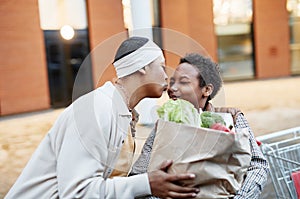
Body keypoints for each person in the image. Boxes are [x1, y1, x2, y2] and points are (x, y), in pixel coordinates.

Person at [5, 37, 200, 199]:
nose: (167, 76)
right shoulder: (96, 110)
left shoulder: (123, 112)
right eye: (162, 66)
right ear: (142, 67)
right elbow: (76, 193)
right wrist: (145, 184)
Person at [130, 53, 269, 199]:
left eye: (183, 82)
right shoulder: (163, 127)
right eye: (172, 82)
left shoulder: (230, 119)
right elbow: (139, 175)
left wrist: (240, 197)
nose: (172, 88)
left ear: (206, 90)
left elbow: (258, 165)